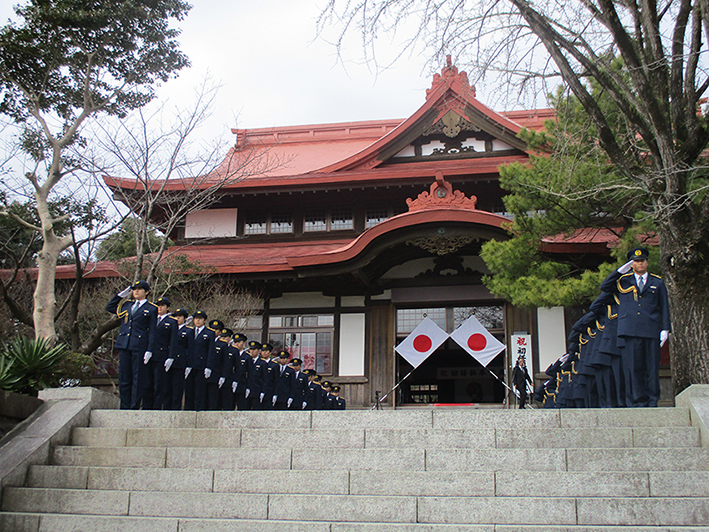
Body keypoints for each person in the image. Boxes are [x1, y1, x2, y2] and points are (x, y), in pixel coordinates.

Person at [600, 247, 671, 407]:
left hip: (650, 330)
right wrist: (619, 271)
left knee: (651, 368)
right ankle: (636, 401)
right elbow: (605, 287)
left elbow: (664, 306)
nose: (640, 264)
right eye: (636, 262)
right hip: (629, 331)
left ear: (647, 262)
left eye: (642, 261)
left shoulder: (657, 282)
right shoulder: (623, 281)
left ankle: (652, 400)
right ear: (631, 264)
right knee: (633, 368)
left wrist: (665, 329)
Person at [106, 280, 157, 410]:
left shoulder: (151, 308)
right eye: (134, 289)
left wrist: (150, 349)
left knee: (138, 379)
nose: (136, 291)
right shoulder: (127, 305)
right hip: (124, 344)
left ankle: (134, 407)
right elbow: (110, 308)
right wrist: (119, 296)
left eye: (139, 289)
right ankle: (124, 406)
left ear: (146, 292)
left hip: (139, 346)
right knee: (124, 378)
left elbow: (152, 330)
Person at [144, 296, 176, 410]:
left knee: (159, 384)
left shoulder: (172, 322)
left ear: (167, 308)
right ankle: (146, 407)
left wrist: (171, 356)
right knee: (147, 383)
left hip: (162, 355)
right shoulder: (151, 319)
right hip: (148, 355)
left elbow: (173, 341)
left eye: (162, 306)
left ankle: (157, 407)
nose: (160, 308)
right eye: (158, 305)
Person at [184, 310, 215, 411]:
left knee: (200, 390)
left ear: (204, 320)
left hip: (202, 365)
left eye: (200, 319)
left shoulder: (209, 333)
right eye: (196, 318)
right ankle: (188, 410)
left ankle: (199, 410)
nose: (197, 321)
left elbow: (211, 351)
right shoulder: (190, 332)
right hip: (190, 365)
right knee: (189, 390)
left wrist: (209, 366)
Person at [165, 307, 191, 410]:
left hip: (180, 362)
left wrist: (188, 364)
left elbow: (190, 349)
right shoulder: (169, 328)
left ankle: (176, 409)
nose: (177, 318)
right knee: (167, 388)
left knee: (177, 388)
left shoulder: (188, 331)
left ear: (185, 318)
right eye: (175, 316)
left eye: (180, 316)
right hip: (167, 362)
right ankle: (166, 408)